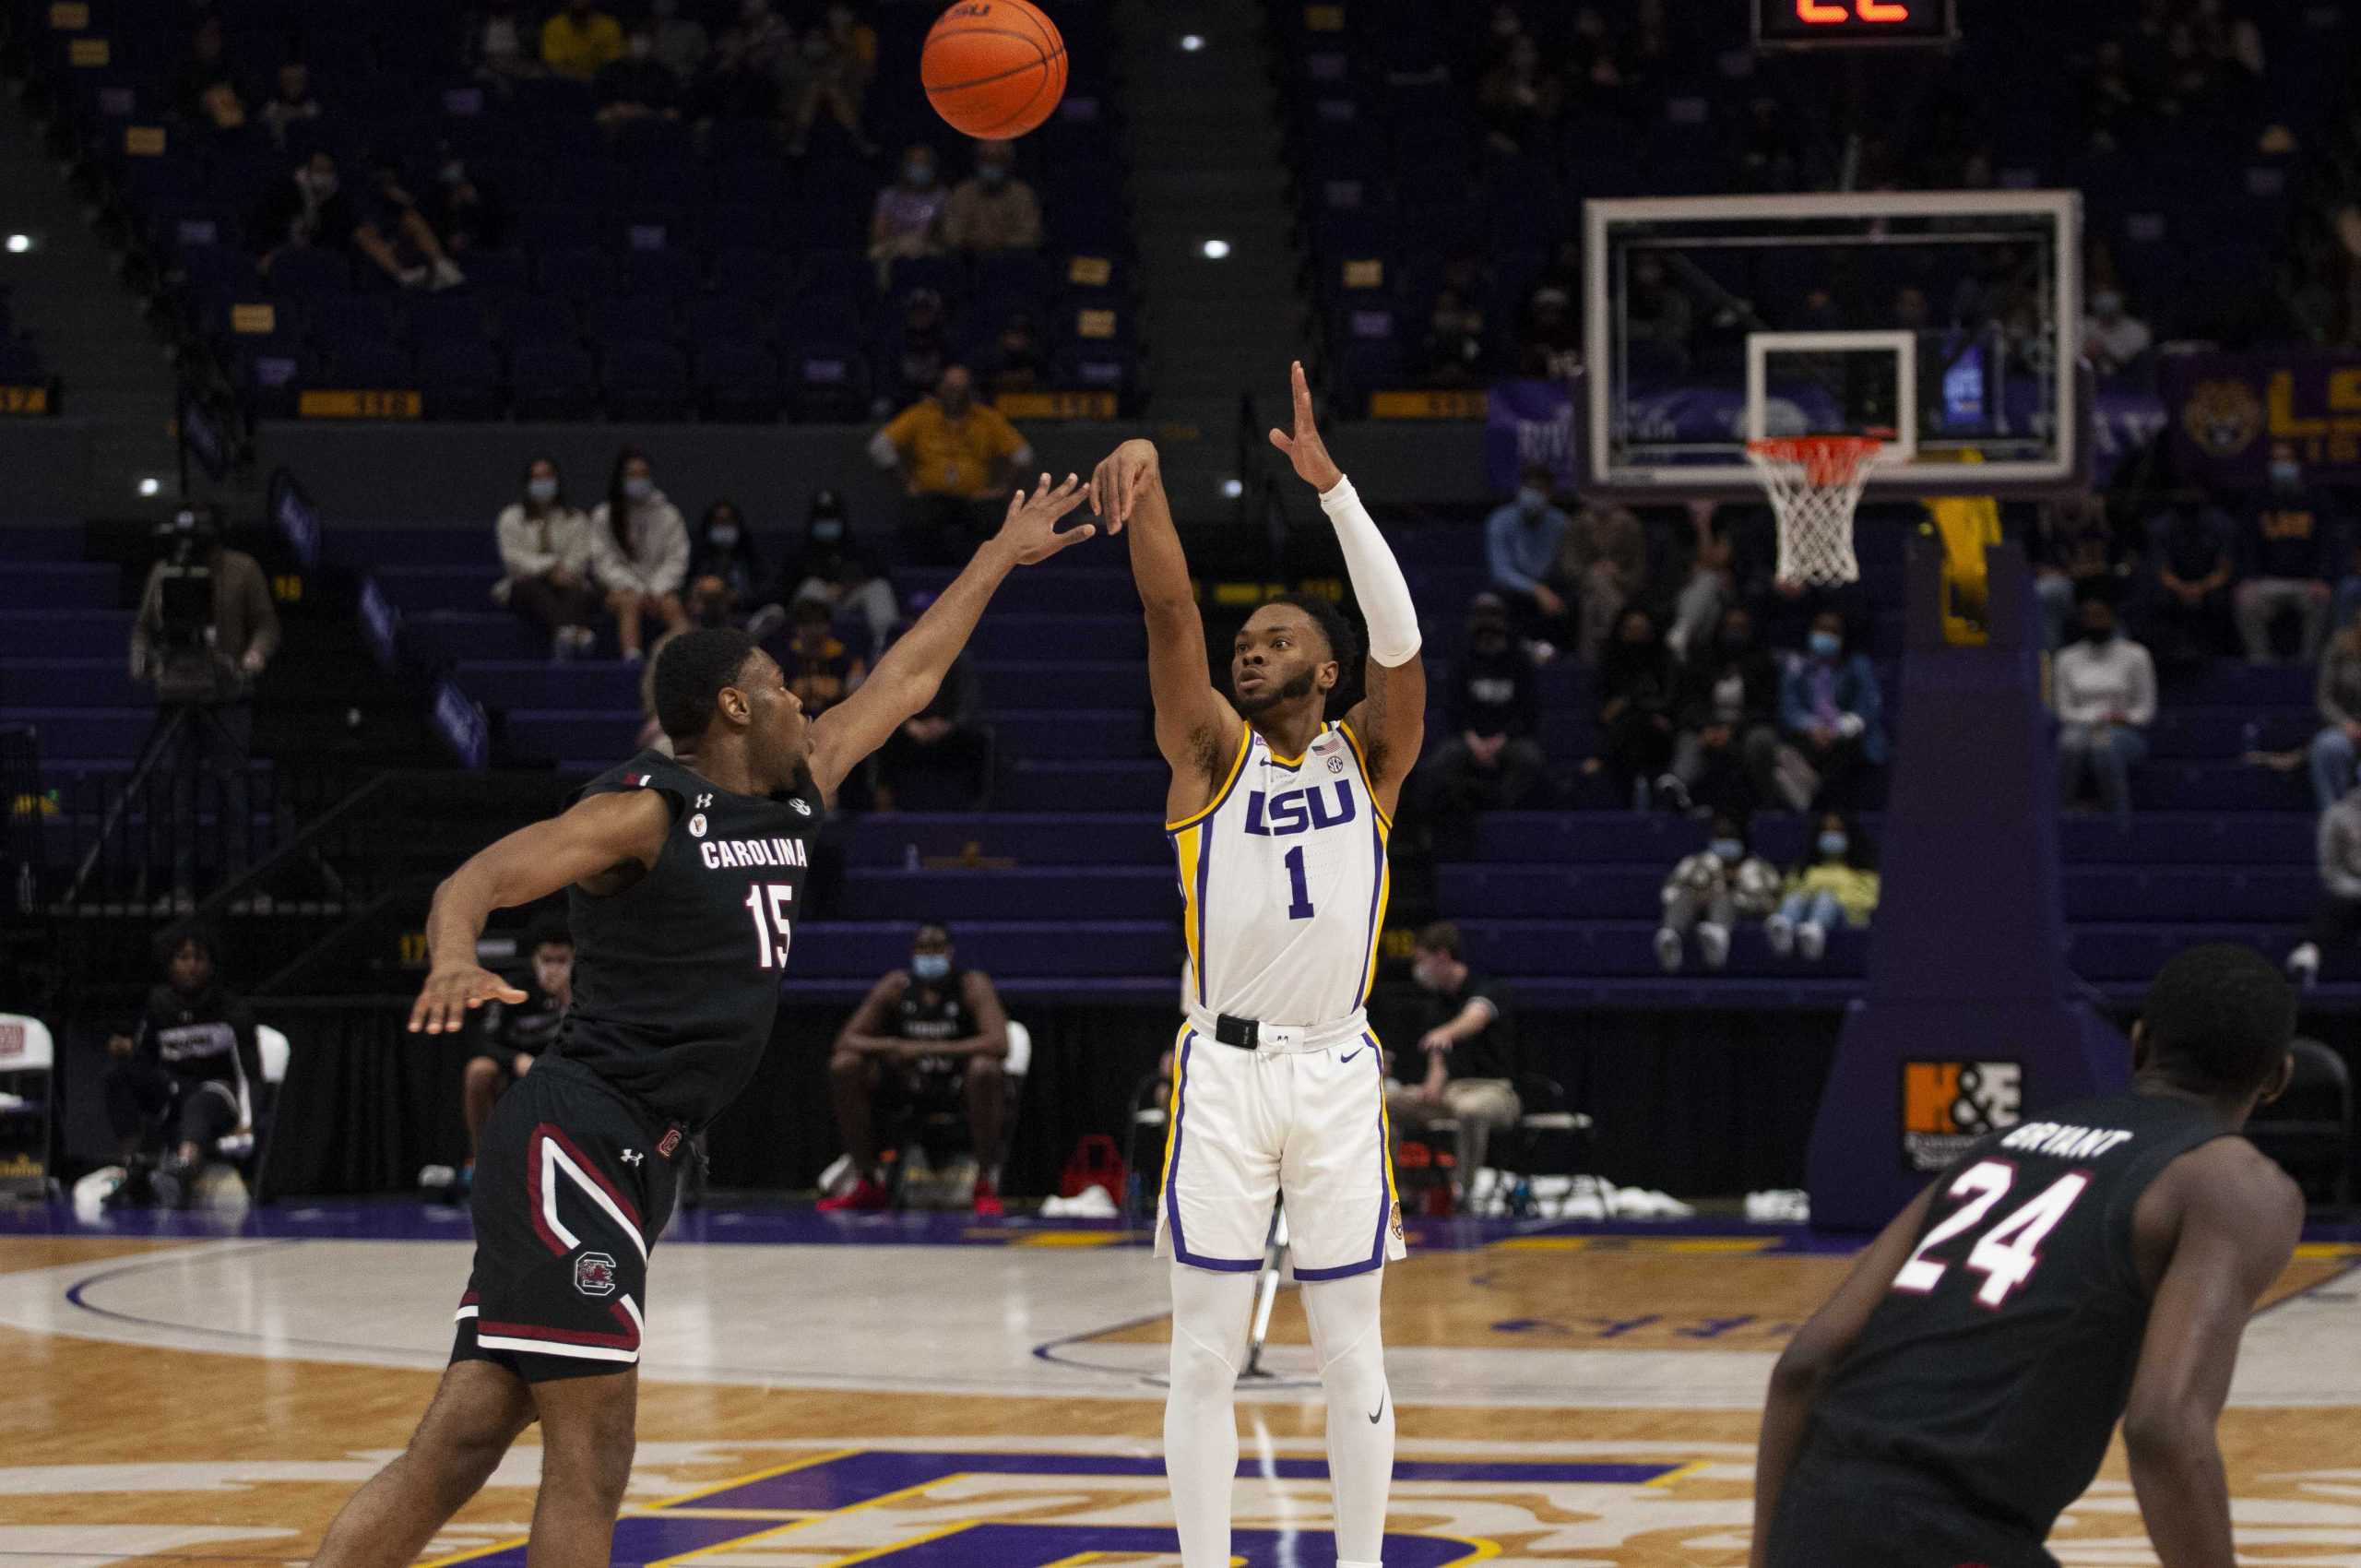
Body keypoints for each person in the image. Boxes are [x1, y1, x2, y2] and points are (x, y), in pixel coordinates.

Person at [305, 475, 1096, 1568]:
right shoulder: (640, 810)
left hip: (634, 1150)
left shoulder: (796, 786)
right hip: (576, 1139)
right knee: (594, 1457)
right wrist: (451, 952)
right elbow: (486, 870)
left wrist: (1000, 553)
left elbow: (909, 674)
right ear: (732, 704)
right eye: (781, 686)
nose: (804, 700)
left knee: (463, 1439)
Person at [1090, 361, 1425, 1568]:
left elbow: (1400, 636)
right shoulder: (1208, 758)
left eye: (1276, 639)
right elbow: (1172, 617)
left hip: (1337, 1072)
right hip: (1225, 1078)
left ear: (1324, 672)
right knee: (1198, 1353)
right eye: (1248, 639)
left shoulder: (1373, 759)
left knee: (1352, 1354)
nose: (1250, 650)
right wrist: (1152, 489)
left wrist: (1332, 489)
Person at [1752, 944, 2302, 1568]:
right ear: (2278, 1077)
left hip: (1816, 1515)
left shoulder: (2004, 1143)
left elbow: (1805, 1362)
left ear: (2140, 1044)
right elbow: (2162, 1428)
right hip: (1949, 1533)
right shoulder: (2232, 1182)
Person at [131, 505, 279, 904]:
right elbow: (143, 630)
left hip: (227, 696)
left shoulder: (243, 569)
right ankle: (181, 888)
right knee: (178, 797)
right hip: (178, 696)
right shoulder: (164, 572)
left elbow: (266, 624)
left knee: (234, 793)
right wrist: (144, 662)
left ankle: (239, 885)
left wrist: (254, 656)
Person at [819, 922, 1014, 1215]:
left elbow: (999, 1043)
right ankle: (869, 1181)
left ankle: (985, 1183)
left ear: (950, 953)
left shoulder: (971, 985)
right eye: (924, 949)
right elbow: (846, 1039)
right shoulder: (897, 986)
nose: (930, 955)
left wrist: (930, 1048)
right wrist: (894, 1046)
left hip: (956, 1084)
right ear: (913, 953)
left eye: (936, 948)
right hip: (908, 1083)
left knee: (985, 1069)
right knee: (845, 1066)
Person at [101, 932, 265, 1208]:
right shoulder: (159, 1004)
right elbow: (145, 1058)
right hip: (174, 1090)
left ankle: (183, 1171)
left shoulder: (231, 1009)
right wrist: (129, 1050)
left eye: (199, 958)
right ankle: (132, 1165)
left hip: (219, 1093)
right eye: (183, 958)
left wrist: (247, 1123)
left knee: (197, 1104)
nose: (191, 966)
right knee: (118, 1076)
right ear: (170, 964)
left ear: (211, 965)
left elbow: (250, 1074)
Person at [1384, 922, 1518, 1204]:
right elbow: (1438, 1056)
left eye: (1421, 961)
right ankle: (1397, 1192)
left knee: (1469, 1109)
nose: (1417, 969)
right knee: (1386, 1103)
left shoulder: (1489, 988)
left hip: (1493, 1091)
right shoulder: (1435, 1004)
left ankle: (1464, 1194)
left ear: (1442, 956)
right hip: (1449, 1092)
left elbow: (1474, 1018)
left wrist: (1446, 1032)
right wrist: (1433, 1083)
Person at [1419, 593, 1548, 855]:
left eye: (1493, 616)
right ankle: (1429, 835)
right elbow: (1454, 708)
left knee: (1531, 759)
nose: (1488, 624)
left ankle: (1501, 812)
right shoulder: (1462, 659)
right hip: (1469, 739)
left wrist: (1502, 739)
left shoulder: (1519, 661)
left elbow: (1529, 711)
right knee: (1436, 766)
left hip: (1509, 739)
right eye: (1482, 616)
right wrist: (1473, 740)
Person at [869, 366, 1035, 563]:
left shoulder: (987, 418)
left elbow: (1023, 455)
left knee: (993, 518)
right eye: (949, 388)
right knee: (916, 519)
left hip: (975, 499)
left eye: (960, 388)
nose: (954, 394)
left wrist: (1002, 488)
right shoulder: (921, 415)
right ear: (939, 389)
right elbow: (879, 447)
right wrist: (907, 483)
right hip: (930, 497)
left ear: (970, 391)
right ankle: (925, 579)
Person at [457, 926, 575, 1195]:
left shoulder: (584, 989)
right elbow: (483, 1041)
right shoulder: (512, 988)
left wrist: (565, 998)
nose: (554, 968)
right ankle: (482, 1161)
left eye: (561, 961)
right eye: (547, 960)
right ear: (535, 959)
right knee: (478, 1071)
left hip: (564, 1071)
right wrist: (516, 1060)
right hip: (516, 1070)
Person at [1665, 604, 1790, 818]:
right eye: (1730, 626)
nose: (1735, 632)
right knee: (1689, 741)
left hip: (1747, 728)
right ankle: (1678, 790)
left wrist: (1732, 730)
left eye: (1741, 627)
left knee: (1762, 740)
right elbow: (1688, 702)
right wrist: (1707, 728)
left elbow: (1766, 707)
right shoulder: (1702, 659)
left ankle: (1767, 803)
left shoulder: (1762, 662)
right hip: (1706, 726)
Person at [2054, 592, 2156, 820]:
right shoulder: (2066, 658)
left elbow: (2145, 709)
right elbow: (2064, 709)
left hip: (2124, 729)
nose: (2095, 622)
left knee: (2103, 746)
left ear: (2112, 618)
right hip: (2079, 727)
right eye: (2089, 617)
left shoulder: (2136, 654)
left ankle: (2118, 819)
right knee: (2070, 743)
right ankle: (2061, 814)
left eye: (2100, 616)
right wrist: (2097, 720)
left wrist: (2120, 719)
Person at [2234, 441, 2337, 663]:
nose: (2281, 465)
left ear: (2298, 464)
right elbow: (2247, 544)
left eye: (2287, 460)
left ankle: (2309, 665)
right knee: (2246, 601)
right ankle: (2261, 665)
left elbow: (2327, 544)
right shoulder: (2258, 499)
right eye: (2276, 460)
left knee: (2322, 602)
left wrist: (2323, 579)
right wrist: (2249, 579)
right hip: (2267, 582)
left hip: (2307, 582)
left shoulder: (2317, 499)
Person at [872, 616, 990, 811]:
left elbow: (968, 703)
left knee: (979, 741)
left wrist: (948, 725)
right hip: (908, 732)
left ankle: (976, 810)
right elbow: (884, 702)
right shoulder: (894, 660)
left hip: (947, 733)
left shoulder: (959, 660)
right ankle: (883, 806)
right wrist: (908, 724)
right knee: (877, 739)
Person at [588, 448, 691, 661]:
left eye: (643, 474)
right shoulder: (603, 516)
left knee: (672, 606)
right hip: (619, 589)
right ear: (620, 478)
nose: (638, 480)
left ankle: (668, 657)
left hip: (660, 589)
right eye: (632, 475)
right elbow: (604, 562)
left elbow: (677, 558)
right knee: (630, 602)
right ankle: (632, 659)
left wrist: (656, 589)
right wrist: (635, 588)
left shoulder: (668, 514)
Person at [494, 457, 601, 659]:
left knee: (580, 592)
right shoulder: (511, 518)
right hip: (526, 584)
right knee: (530, 588)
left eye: (547, 476)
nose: (543, 482)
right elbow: (513, 559)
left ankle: (564, 637)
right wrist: (550, 568)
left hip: (568, 582)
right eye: (537, 477)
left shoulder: (576, 519)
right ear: (527, 483)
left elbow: (580, 557)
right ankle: (573, 633)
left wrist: (564, 572)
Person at [769, 489, 898, 655]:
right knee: (812, 585)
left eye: (831, 517)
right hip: (819, 604)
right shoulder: (800, 553)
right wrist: (826, 587)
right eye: (822, 518)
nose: (827, 523)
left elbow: (879, 574)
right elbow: (785, 590)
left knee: (879, 587)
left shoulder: (857, 548)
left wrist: (849, 586)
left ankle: (885, 647)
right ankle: (806, 650)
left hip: (852, 600)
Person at [1777, 612, 1886, 808]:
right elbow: (1789, 707)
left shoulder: (1857, 664)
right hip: (1810, 736)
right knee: (1780, 750)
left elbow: (1869, 704)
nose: (1825, 636)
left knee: (1846, 751)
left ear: (1842, 637)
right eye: (1821, 629)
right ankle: (1813, 794)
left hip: (1846, 737)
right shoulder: (1797, 665)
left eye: (1832, 631)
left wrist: (1838, 729)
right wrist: (1813, 727)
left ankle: (1819, 801)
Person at [1655, 814, 1780, 973]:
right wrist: (1699, 895)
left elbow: (1771, 899)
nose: (1725, 844)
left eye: (1729, 838)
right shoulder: (1697, 862)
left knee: (1725, 898)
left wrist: (1735, 895)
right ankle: (1670, 937)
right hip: (1694, 908)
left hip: (1740, 908)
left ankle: (1717, 938)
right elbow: (1669, 891)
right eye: (1720, 838)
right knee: (1684, 896)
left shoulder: (1758, 867)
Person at [1765, 814, 1880, 961]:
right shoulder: (1804, 871)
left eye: (1837, 831)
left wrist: (1833, 897)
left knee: (1825, 899)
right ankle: (1783, 928)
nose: (1831, 836)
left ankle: (1815, 929)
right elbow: (1786, 895)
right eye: (1826, 831)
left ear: (1849, 835)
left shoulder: (1864, 873)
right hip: (1803, 918)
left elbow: (1867, 903)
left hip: (1846, 922)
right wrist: (1809, 897)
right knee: (1795, 899)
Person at [1483, 466, 1573, 650]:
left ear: (1550, 494)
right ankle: (1512, 655)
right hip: (1514, 591)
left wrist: (1545, 590)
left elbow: (1567, 566)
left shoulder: (1562, 523)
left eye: (1540, 489)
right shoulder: (1499, 520)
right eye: (1529, 488)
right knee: (1497, 600)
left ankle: (1557, 658)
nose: (1534, 495)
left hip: (1550, 588)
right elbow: (1501, 572)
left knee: (1571, 603)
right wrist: (1536, 590)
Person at [1596, 608, 1678, 808]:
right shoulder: (1612, 661)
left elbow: (1670, 699)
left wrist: (1630, 704)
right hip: (1626, 733)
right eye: (1630, 629)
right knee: (1628, 732)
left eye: (1641, 629)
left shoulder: (1664, 660)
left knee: (1638, 729)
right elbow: (1603, 709)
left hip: (1659, 730)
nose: (1636, 635)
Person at [2142, 497, 2236, 668]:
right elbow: (2161, 570)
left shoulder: (2221, 524)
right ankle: (2169, 653)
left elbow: (2225, 569)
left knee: (2220, 599)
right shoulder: (2161, 527)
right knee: (2157, 595)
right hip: (2175, 587)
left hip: (2209, 586)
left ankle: (2216, 654)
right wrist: (2183, 589)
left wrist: (2200, 588)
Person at [2031, 493, 2130, 652]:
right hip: (2064, 584)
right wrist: (2067, 573)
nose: (2070, 499)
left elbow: (2119, 558)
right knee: (2044, 591)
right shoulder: (2045, 515)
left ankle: (2119, 658)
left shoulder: (2103, 510)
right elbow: (2036, 564)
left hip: (2099, 583)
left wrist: (2095, 569)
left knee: (2113, 592)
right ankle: (2051, 656)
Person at [1557, 499, 1648, 666]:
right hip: (1585, 587)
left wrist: (1616, 575)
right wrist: (1591, 572)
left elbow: (1638, 573)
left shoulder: (1631, 526)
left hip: (1621, 589)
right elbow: (1568, 567)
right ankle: (1617, 629)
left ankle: (1589, 670)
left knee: (1591, 605)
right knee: (1595, 583)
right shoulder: (1577, 524)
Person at [2286, 781, 2361, 986]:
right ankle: (2306, 957)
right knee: (2334, 905)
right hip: (2346, 894)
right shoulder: (2337, 815)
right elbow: (2330, 870)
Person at [785, 2, 878, 156]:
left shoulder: (862, 35)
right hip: (817, 86)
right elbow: (809, 60)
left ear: (851, 15)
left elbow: (866, 68)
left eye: (842, 13)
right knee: (817, 86)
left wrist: (843, 49)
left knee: (832, 88)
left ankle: (859, 137)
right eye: (835, 13)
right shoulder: (821, 33)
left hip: (851, 88)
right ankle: (798, 137)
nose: (838, 17)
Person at [942, 138, 1042, 256]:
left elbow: (1031, 235)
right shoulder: (962, 193)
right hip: (969, 261)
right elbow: (951, 235)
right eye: (986, 160)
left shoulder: (1022, 194)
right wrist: (976, 242)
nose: (992, 165)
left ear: (1009, 163)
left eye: (998, 160)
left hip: (1012, 261)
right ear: (977, 162)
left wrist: (1000, 243)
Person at [869, 145, 949, 282]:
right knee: (876, 253)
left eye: (924, 163)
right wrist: (900, 244)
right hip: (894, 246)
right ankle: (883, 295)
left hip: (927, 248)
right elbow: (879, 233)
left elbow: (945, 234)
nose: (920, 168)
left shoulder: (941, 196)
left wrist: (920, 243)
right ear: (905, 166)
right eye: (915, 163)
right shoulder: (889, 196)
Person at [774, 597, 865, 718]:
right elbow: (772, 695)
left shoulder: (846, 656)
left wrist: (841, 688)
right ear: (797, 628)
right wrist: (791, 689)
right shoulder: (783, 657)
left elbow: (859, 692)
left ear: (829, 626)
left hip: (837, 718)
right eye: (807, 624)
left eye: (819, 623)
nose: (814, 631)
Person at [685, 499, 762, 631]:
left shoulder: (749, 556)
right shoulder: (699, 557)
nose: (724, 528)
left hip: (739, 609)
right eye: (719, 523)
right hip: (701, 613)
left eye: (728, 523)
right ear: (710, 526)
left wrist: (738, 596)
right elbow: (687, 587)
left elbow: (763, 588)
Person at [2311, 608, 2361, 811]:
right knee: (2327, 747)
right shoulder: (2339, 647)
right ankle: (2334, 821)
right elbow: (2324, 698)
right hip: (2347, 728)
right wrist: (2346, 724)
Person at [594, 25, 682, 125]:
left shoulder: (664, 73)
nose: (640, 44)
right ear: (626, 42)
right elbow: (600, 99)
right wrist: (616, 108)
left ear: (653, 43)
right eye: (636, 39)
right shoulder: (610, 71)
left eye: (644, 39)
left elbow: (672, 107)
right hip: (618, 120)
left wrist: (648, 112)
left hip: (653, 123)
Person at [174, 16, 247, 136]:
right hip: (194, 134)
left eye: (216, 35)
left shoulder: (232, 67)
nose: (212, 41)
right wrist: (203, 102)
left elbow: (246, 100)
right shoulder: (183, 69)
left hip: (232, 135)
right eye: (207, 35)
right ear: (196, 38)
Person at [540, 0, 625, 83]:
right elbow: (554, 66)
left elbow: (613, 64)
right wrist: (581, 77)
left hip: (601, 85)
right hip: (565, 85)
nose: (579, 2)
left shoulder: (609, 27)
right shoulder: (554, 27)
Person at [2081, 287, 2153, 378]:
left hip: (2126, 382)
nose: (2106, 301)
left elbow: (2131, 364)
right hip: (2089, 379)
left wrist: (2104, 351)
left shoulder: (2137, 330)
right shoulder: (2085, 325)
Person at [259, 60, 321, 148]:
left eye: (297, 81)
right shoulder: (270, 110)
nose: (293, 87)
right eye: (288, 81)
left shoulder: (315, 110)